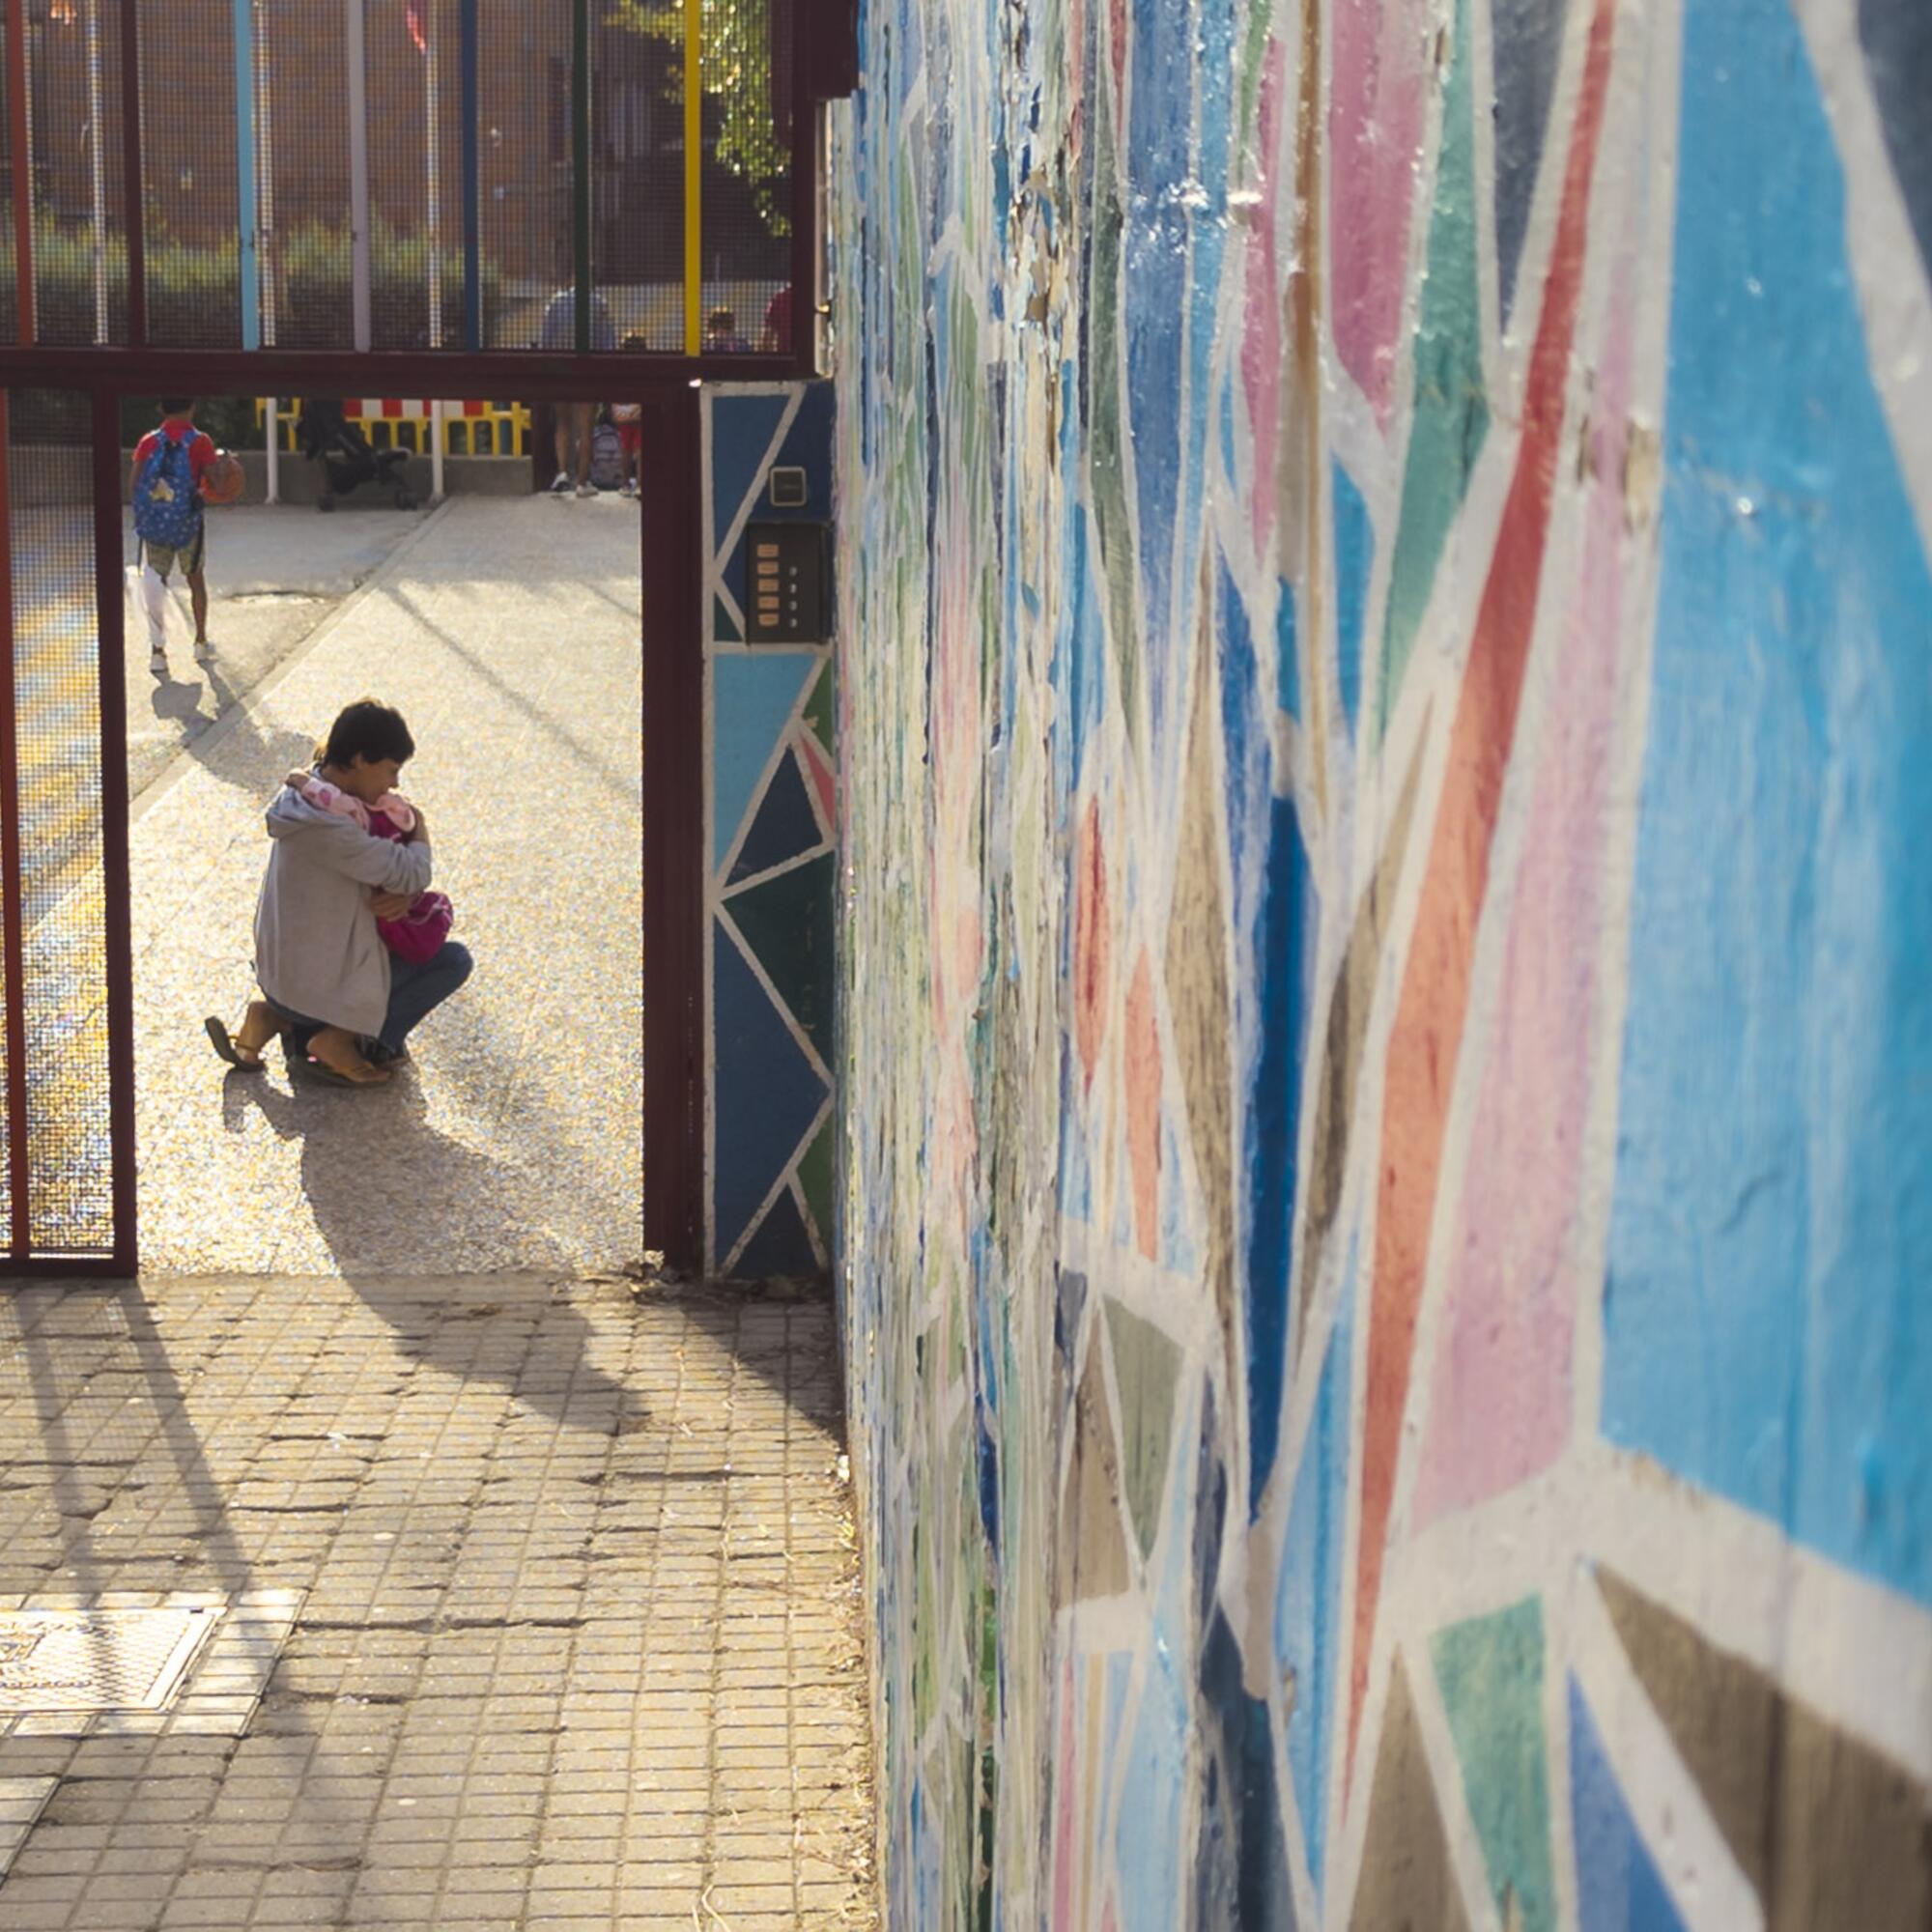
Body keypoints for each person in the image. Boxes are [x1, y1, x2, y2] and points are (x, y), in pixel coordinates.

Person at [204, 699, 472, 1088]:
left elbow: (395, 883)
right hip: (311, 981)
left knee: (396, 934)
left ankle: (272, 1018)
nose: (394, 785)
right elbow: (413, 872)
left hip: (283, 974)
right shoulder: (331, 827)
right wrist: (421, 826)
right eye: (391, 770)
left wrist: (407, 897)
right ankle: (339, 1041)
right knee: (452, 960)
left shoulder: (311, 797)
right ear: (361, 759)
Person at [130, 398, 217, 674]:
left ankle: (158, 652)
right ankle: (200, 642)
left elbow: (134, 483)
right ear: (192, 406)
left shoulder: (149, 441)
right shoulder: (200, 441)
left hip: (156, 524)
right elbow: (215, 481)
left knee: (156, 582)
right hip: (188, 523)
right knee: (195, 579)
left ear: (162, 408)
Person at [536, 269, 616, 499]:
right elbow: (607, 343)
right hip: (589, 372)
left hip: (561, 370)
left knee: (562, 422)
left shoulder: (556, 303)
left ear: (571, 278)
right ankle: (582, 482)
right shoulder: (599, 305)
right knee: (586, 427)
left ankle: (562, 472)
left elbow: (546, 342)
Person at [612, 335, 646, 500]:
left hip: (626, 414)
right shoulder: (643, 367)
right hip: (636, 413)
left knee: (627, 450)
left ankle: (627, 484)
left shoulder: (620, 367)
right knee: (638, 451)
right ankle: (638, 484)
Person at [758, 285, 792, 355]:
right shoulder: (781, 298)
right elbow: (767, 338)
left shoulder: (781, 298)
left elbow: (767, 339)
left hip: (785, 358)